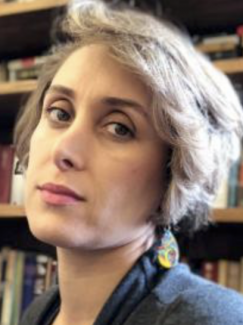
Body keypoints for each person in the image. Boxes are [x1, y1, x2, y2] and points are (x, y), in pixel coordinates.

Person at [15, 0, 243, 324]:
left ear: (174, 170)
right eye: (60, 113)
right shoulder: (40, 312)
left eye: (119, 128)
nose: (63, 150)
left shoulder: (212, 319)